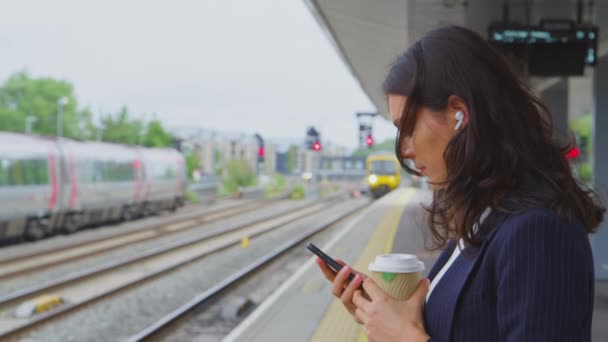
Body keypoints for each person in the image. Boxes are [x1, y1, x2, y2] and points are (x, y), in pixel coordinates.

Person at [316, 25, 605, 342]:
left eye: (408, 127)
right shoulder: (484, 218)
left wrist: (405, 338)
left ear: (458, 114)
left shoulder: (539, 231)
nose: (406, 149)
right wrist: (387, 314)